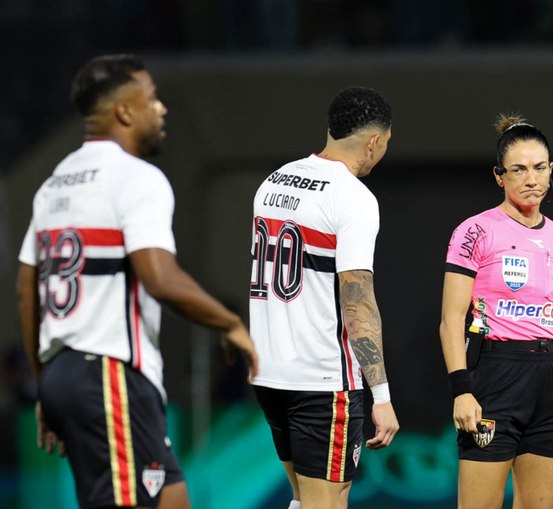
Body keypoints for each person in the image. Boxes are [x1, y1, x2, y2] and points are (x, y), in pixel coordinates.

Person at [16, 54, 258, 509]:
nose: (161, 109)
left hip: (69, 372)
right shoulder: (136, 178)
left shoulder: (54, 185)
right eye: (151, 99)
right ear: (125, 111)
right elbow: (159, 276)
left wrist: (47, 383)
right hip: (108, 374)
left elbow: (26, 291)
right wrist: (229, 323)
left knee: (172, 499)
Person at [249, 86, 400, 509]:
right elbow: (358, 300)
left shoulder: (273, 181)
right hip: (320, 380)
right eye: (385, 144)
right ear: (373, 142)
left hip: (271, 372)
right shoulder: (352, 197)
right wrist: (382, 397)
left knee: (307, 500)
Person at [440, 114, 553, 509]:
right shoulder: (476, 231)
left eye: (540, 168)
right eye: (519, 169)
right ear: (499, 176)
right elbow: (450, 320)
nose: (532, 179)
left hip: (550, 384)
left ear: (551, 170)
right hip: (494, 378)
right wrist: (461, 390)